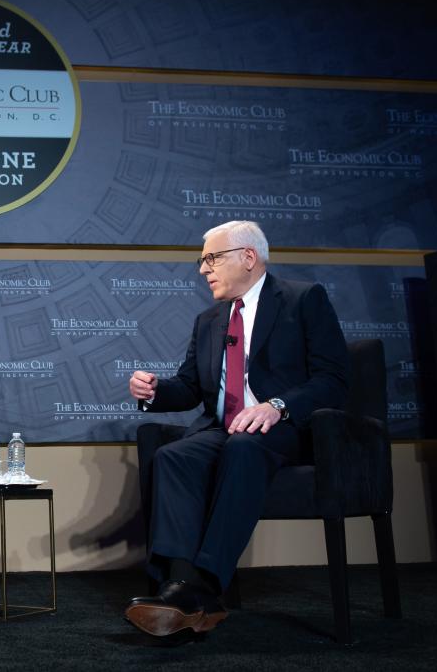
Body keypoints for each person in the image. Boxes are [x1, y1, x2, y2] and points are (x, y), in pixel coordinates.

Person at [125, 221, 348, 645]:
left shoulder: (303, 299)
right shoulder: (208, 320)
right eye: (202, 261)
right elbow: (190, 387)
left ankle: (204, 585)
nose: (203, 270)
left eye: (212, 258)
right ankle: (177, 583)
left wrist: (277, 406)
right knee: (173, 457)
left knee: (244, 447)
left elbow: (333, 379)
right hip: (222, 427)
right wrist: (154, 391)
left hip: (283, 429)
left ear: (249, 257)